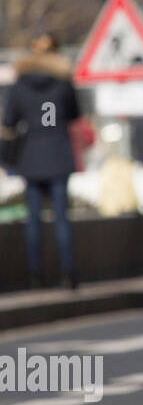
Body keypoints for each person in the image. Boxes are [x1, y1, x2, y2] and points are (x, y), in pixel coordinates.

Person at [1, 33, 81, 288]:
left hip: (32, 154)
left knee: (33, 220)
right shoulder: (62, 82)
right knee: (60, 218)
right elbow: (74, 114)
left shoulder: (20, 85)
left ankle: (35, 275)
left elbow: (9, 121)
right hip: (57, 151)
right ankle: (68, 273)